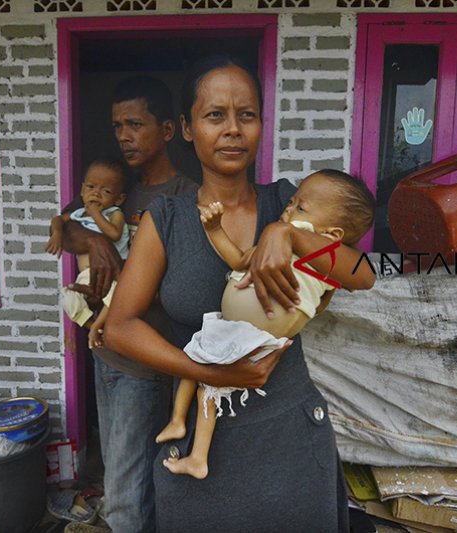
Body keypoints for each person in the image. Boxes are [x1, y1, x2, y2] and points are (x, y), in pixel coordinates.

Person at [105, 56, 375, 532]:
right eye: (215, 116)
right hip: (199, 443)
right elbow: (119, 328)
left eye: (246, 115)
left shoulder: (291, 203)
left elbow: (362, 273)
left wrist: (286, 234)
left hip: (289, 438)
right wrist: (209, 371)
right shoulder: (164, 220)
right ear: (187, 128)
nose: (233, 129)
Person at [156, 169, 376, 480]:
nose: (288, 209)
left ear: (333, 235)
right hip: (235, 327)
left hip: (255, 334)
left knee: (206, 381)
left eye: (300, 208)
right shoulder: (277, 245)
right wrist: (216, 229)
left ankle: (196, 454)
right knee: (194, 362)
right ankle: (179, 422)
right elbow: (238, 261)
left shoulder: (318, 249)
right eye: (292, 201)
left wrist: (290, 234)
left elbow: (356, 279)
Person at [57, 76, 198, 533]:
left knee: (125, 490)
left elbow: (183, 285)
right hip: (106, 353)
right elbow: (63, 225)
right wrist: (95, 242)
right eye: (118, 125)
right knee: (125, 475)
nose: (123, 135)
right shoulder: (116, 189)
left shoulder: (185, 197)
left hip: (147, 363)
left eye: (136, 124)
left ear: (170, 130)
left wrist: (117, 272)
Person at [46, 157, 128, 349]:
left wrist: (96, 213)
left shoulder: (115, 213)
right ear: (82, 190)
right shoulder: (78, 212)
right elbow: (58, 219)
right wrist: (57, 234)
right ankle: (92, 326)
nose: (96, 194)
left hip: (112, 275)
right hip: (86, 276)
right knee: (68, 295)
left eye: (106, 191)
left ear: (119, 199)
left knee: (117, 294)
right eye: (91, 187)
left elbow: (114, 234)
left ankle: (99, 326)